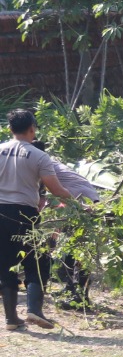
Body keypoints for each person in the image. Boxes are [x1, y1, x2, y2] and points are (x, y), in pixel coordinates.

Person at [0, 109, 72, 330]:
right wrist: (78, 204)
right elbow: (55, 189)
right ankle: (34, 310)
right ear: (32, 128)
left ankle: (11, 319)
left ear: (10, 129)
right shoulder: (39, 156)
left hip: (0, 212)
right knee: (38, 262)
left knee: (6, 265)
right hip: (25, 215)